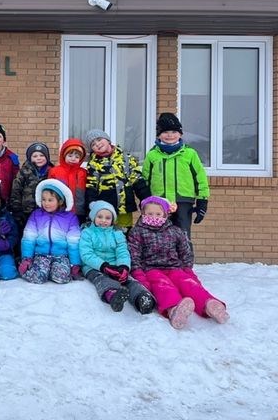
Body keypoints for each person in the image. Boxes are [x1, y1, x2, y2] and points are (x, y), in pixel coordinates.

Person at [128, 196, 229, 329]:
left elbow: (185, 251)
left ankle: (209, 305)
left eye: (158, 214)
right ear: (143, 214)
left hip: (175, 267)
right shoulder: (137, 232)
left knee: (188, 284)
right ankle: (174, 309)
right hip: (152, 269)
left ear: (165, 214)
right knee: (163, 286)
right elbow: (134, 255)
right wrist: (139, 274)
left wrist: (187, 270)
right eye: (150, 213)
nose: (154, 216)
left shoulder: (175, 231)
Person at [79, 200, 156, 313]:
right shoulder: (87, 233)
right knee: (101, 279)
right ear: (93, 217)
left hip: (115, 266)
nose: (103, 220)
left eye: (107, 218)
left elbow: (122, 251)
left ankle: (142, 298)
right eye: (100, 217)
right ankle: (112, 295)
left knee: (129, 280)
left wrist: (124, 267)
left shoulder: (117, 234)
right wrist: (103, 266)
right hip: (93, 267)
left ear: (112, 220)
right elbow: (86, 254)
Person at [142, 113, 210, 237]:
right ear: (159, 134)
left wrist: (202, 201)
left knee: (182, 236)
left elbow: (200, 178)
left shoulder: (189, 154)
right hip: (159, 203)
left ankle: (185, 257)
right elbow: (145, 178)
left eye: (174, 131)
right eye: (165, 132)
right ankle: (161, 257)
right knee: (159, 236)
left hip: (183, 201)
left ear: (180, 134)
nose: (170, 135)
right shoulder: (152, 155)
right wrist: (145, 198)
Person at [84, 129, 150, 230]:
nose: (97, 144)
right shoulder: (93, 164)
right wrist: (92, 203)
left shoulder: (126, 158)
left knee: (124, 234)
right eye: (93, 144)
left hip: (124, 207)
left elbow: (137, 180)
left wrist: (147, 199)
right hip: (105, 210)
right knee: (106, 234)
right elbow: (91, 187)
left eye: (99, 139)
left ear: (108, 140)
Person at [19, 179, 81, 285]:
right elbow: (29, 238)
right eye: (44, 199)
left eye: (50, 200)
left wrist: (75, 263)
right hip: (41, 254)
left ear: (60, 201)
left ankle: (52, 270)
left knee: (62, 278)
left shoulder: (70, 218)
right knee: (37, 278)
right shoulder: (36, 215)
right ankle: (39, 269)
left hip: (61, 256)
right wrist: (26, 258)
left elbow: (74, 242)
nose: (46, 203)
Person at [10, 142, 54, 228]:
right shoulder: (24, 171)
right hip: (26, 211)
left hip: (45, 210)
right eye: (35, 156)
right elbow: (16, 190)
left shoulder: (51, 171)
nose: (39, 158)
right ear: (30, 158)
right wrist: (17, 209)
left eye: (42, 155)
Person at [49, 138, 88, 223]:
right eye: (70, 156)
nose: (73, 159)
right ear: (64, 155)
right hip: (60, 210)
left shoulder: (83, 173)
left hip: (79, 212)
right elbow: (50, 190)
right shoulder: (55, 171)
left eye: (77, 157)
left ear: (81, 159)